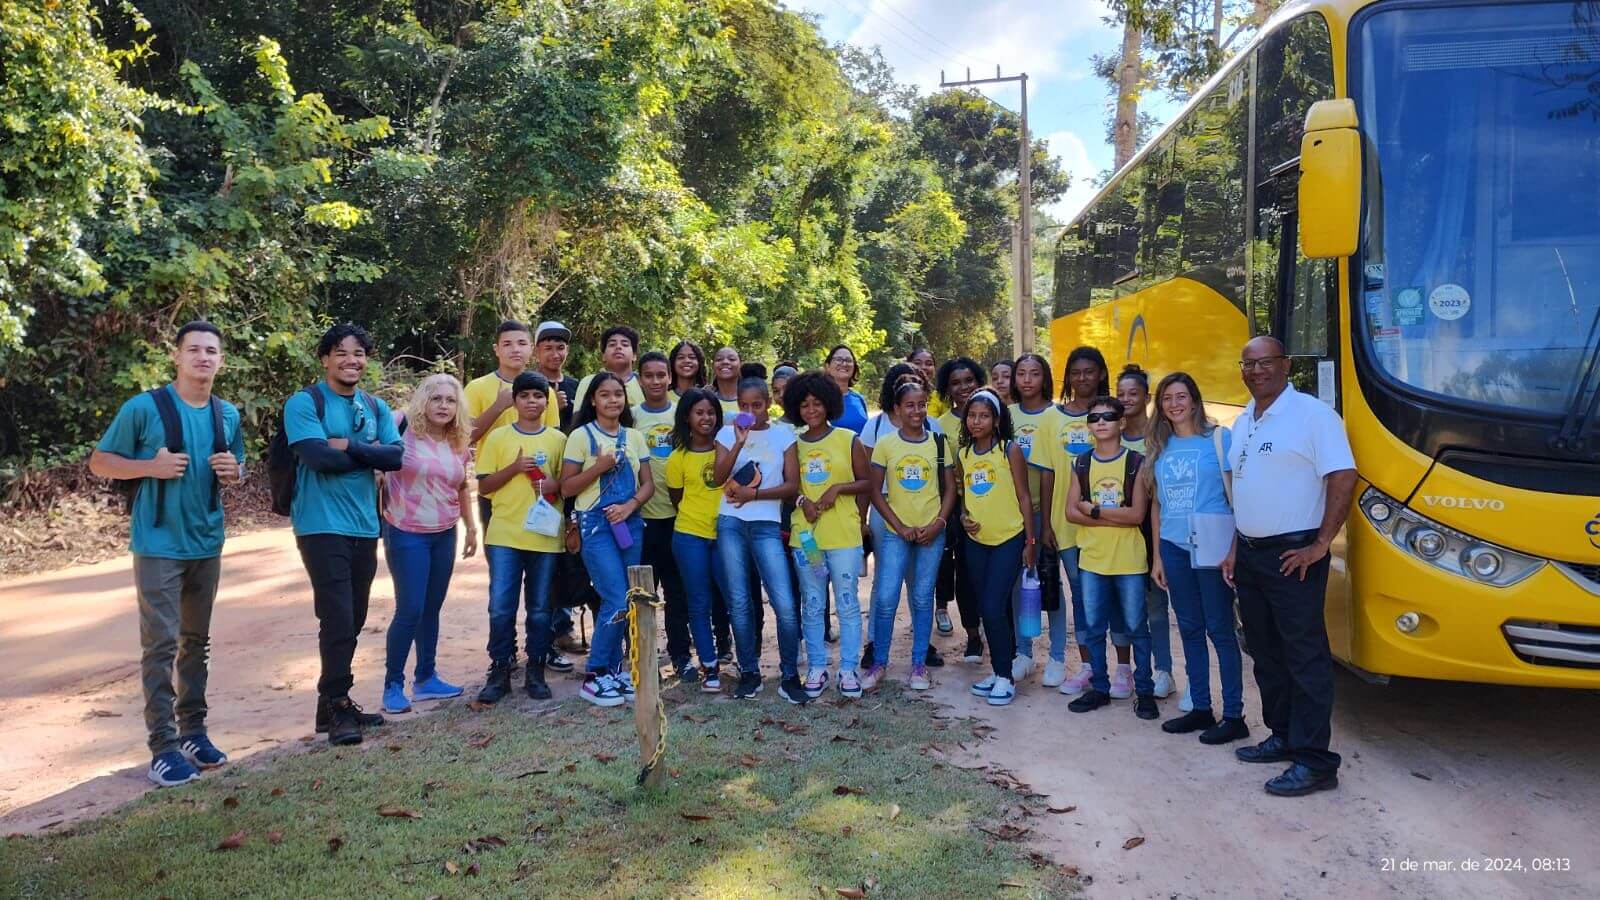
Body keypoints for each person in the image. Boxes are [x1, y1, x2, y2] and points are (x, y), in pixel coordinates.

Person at [90, 321, 245, 787]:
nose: (203, 357)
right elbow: (100, 461)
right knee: (160, 645)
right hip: (158, 543)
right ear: (176, 356)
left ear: (221, 360)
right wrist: (149, 467)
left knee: (197, 641)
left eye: (211, 351)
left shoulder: (226, 414)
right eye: (193, 349)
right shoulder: (144, 408)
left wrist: (234, 471)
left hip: (207, 541)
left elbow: (236, 466)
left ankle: (193, 733)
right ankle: (163, 747)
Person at [1226, 336, 1355, 797]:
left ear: (1286, 365)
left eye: (1266, 362)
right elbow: (1245, 490)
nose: (1256, 371)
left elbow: (1343, 475)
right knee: (1265, 652)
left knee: (1305, 657)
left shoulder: (1313, 416)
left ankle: (1316, 762)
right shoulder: (1245, 419)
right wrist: (1236, 547)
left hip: (1294, 556)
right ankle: (1282, 735)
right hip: (1251, 555)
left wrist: (1321, 543)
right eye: (1248, 364)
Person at [283, 323, 404, 745]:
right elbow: (319, 459)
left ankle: (330, 704)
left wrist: (349, 446)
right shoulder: (305, 403)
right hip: (319, 524)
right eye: (341, 353)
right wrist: (368, 455)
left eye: (359, 354)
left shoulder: (375, 406)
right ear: (324, 359)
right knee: (336, 615)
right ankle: (337, 704)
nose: (351, 361)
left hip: (365, 525)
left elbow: (395, 457)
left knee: (354, 616)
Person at [1146, 372, 1249, 745]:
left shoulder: (1219, 439)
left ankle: (1234, 715)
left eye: (1181, 396)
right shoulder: (1159, 447)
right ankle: (1202, 708)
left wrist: (1234, 549)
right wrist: (1158, 556)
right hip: (1174, 546)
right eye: (1167, 398)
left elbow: (1240, 496)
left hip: (1212, 545)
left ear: (1194, 400)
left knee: (1220, 629)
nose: (1174, 404)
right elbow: (1157, 504)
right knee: (1189, 628)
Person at [380, 374, 476, 715]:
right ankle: (393, 684)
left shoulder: (458, 440)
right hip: (406, 531)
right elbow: (369, 454)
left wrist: (471, 527)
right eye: (436, 399)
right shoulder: (399, 425)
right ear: (423, 401)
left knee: (431, 607)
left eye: (450, 400)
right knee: (410, 609)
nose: (443, 406)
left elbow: (461, 486)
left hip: (444, 532)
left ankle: (425, 678)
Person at [473, 372, 569, 703]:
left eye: (538, 396)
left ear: (548, 401)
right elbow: (484, 487)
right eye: (525, 395)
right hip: (505, 535)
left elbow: (567, 486)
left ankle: (536, 670)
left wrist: (554, 485)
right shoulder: (498, 438)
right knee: (501, 607)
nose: (532, 401)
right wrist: (514, 468)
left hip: (545, 537)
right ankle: (500, 669)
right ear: (514, 401)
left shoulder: (558, 440)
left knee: (541, 608)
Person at [561, 373, 653, 707]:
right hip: (596, 526)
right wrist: (599, 467)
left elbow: (648, 484)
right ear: (593, 400)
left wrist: (630, 506)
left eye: (618, 394)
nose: (613, 400)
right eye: (605, 394)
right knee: (615, 597)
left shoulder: (634, 436)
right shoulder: (581, 436)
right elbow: (567, 488)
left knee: (627, 599)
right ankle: (595, 674)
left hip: (630, 523)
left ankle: (613, 671)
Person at [1064, 397, 1157, 720]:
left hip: (1130, 561)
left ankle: (1145, 691)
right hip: (1092, 559)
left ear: (1122, 422)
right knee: (1093, 627)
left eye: (1108, 416)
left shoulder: (1136, 462)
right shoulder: (1081, 464)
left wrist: (1095, 511)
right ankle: (1100, 688)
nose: (1101, 422)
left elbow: (1137, 515)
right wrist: (1114, 516)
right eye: (1094, 418)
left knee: (1136, 627)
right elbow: (1071, 512)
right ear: (1088, 425)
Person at [863, 378, 957, 691]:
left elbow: (950, 489)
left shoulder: (938, 442)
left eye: (921, 405)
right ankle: (879, 661)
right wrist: (899, 526)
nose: (917, 411)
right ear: (897, 409)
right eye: (909, 406)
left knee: (922, 597)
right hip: (895, 533)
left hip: (932, 532)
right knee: (887, 597)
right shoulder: (886, 444)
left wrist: (938, 524)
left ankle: (918, 664)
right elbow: (875, 491)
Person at [713, 378, 804, 702]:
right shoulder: (726, 434)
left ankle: (790, 675)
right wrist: (739, 442)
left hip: (766, 525)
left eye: (757, 405)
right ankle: (749, 673)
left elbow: (792, 486)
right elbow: (717, 478)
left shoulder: (783, 435)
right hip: (731, 523)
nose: (750, 411)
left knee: (785, 602)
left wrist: (754, 495)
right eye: (744, 406)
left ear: (768, 404)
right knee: (739, 602)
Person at [1050, 347, 1134, 697]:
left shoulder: (1113, 413)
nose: (1082, 378)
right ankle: (1089, 667)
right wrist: (1046, 525)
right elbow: (1047, 475)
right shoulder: (1053, 417)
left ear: (1101, 373)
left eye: (1089, 371)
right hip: (1069, 526)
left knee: (1117, 600)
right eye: (1075, 372)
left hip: (1117, 530)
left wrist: (1105, 516)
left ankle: (1124, 669)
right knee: (1084, 600)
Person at [784, 371, 869, 699]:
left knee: (847, 602)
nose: (811, 410)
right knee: (813, 603)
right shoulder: (793, 445)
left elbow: (867, 482)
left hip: (844, 536)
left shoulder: (848, 439)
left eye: (817, 403)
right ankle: (817, 667)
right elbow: (789, 487)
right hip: (807, 539)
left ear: (829, 404)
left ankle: (848, 669)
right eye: (804, 404)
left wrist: (838, 489)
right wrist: (802, 502)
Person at [955, 389, 1035, 706]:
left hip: (1009, 538)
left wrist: (1030, 541)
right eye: (972, 416)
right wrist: (964, 518)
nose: (977, 422)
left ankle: (1005, 677)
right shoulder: (964, 454)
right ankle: (1002, 669)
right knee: (992, 607)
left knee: (991, 606)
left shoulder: (1008, 450)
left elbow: (1024, 496)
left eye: (984, 416)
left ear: (997, 420)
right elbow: (965, 497)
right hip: (977, 542)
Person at [1007, 353, 1068, 685]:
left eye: (1034, 373)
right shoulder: (1007, 414)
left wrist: (1047, 523)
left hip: (1048, 513)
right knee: (1020, 585)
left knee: (1049, 581)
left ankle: (1057, 656)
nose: (1027, 380)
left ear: (1045, 378)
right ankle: (1024, 652)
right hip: (1014, 514)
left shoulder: (1056, 415)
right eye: (1021, 373)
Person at [1117, 363, 1175, 700]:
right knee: (1126, 606)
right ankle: (1128, 671)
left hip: (1154, 528)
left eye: (1133, 393)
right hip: (1119, 530)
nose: (1126, 399)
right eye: (1120, 394)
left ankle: (1163, 670)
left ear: (1146, 397)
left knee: (1155, 605)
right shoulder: (1112, 434)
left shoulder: (1160, 438)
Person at [633, 352, 692, 680]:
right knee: (643, 593)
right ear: (639, 379)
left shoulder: (682, 412)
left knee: (677, 591)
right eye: (649, 375)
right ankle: (642, 658)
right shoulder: (631, 416)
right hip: (642, 519)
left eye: (661, 375)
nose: (655, 381)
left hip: (679, 517)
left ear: (670, 377)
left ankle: (681, 655)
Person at [666, 388, 728, 692]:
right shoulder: (677, 457)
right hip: (690, 536)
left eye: (711, 412)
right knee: (699, 601)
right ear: (687, 417)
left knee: (733, 598)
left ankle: (745, 660)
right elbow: (677, 499)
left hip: (727, 535)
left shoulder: (726, 450)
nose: (706, 418)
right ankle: (709, 665)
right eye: (699, 412)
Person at [934, 357, 986, 658]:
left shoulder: (993, 415)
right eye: (955, 383)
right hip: (954, 507)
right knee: (959, 570)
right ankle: (972, 634)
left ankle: (991, 629)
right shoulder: (940, 426)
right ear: (947, 388)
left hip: (988, 506)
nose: (963, 387)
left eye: (969, 380)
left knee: (981, 572)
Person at [575, 326, 645, 408]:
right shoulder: (588, 382)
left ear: (634, 356)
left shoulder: (645, 384)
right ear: (604, 356)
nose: (618, 347)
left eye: (625, 344)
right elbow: (579, 415)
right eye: (612, 345)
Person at [535, 321, 579, 432]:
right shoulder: (527, 386)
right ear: (536, 352)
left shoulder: (577, 386)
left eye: (560, 348)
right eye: (548, 348)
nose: (555, 355)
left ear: (567, 350)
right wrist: (552, 407)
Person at [825, 344, 870, 433]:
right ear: (828, 366)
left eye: (848, 360)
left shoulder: (859, 398)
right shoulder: (821, 399)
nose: (844, 364)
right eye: (838, 359)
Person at [907, 348, 945, 418]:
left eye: (929, 364)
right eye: (917, 363)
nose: (923, 367)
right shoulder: (898, 395)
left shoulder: (942, 397)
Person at [711, 346, 743, 414]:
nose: (725, 362)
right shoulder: (706, 399)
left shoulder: (751, 400)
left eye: (732, 359)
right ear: (713, 366)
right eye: (719, 359)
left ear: (740, 364)